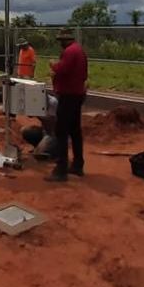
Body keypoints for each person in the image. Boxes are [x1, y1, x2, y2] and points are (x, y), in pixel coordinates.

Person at [46, 28, 88, 182]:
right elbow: (82, 74)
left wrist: (53, 66)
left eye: (61, 41)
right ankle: (77, 164)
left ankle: (61, 169)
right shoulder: (79, 51)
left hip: (68, 96)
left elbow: (62, 68)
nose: (60, 44)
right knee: (75, 130)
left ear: (65, 40)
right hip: (77, 94)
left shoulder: (70, 52)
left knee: (61, 131)